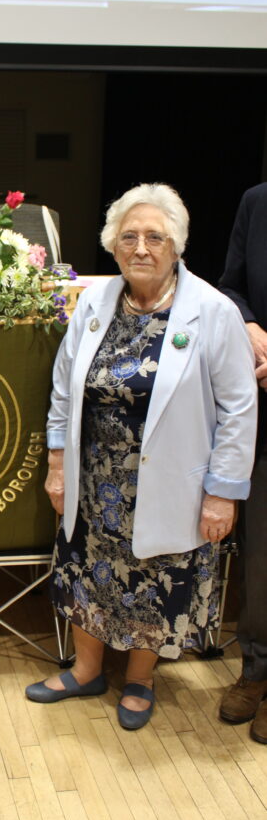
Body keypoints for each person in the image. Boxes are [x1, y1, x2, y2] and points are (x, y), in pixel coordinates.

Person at [26, 183, 257, 730]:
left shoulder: (212, 311)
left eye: (155, 237)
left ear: (176, 246)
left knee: (154, 579)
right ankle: (86, 671)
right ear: (113, 245)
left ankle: (140, 679)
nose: (141, 248)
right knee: (86, 572)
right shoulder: (95, 303)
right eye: (128, 237)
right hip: (93, 479)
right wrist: (57, 466)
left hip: (169, 481)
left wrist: (223, 492)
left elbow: (239, 407)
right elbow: (64, 390)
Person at [217, 182, 267, 743]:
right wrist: (248, 324)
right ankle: (257, 667)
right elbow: (233, 286)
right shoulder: (258, 201)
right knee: (261, 555)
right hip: (264, 405)